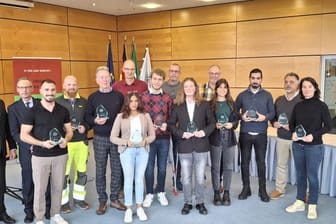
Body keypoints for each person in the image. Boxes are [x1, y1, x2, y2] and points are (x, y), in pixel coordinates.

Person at [20, 79, 73, 224]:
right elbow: (23, 135)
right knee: (40, 189)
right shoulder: (32, 111)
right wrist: (41, 143)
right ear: (41, 91)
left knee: (58, 187)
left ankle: (55, 214)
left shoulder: (63, 110)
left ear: (56, 91)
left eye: (53, 90)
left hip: (60, 155)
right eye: (47, 90)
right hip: (40, 156)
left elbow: (69, 131)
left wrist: (66, 140)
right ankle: (39, 218)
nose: (50, 93)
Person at [168, 77, 215, 215]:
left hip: (201, 145)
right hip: (185, 146)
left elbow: (212, 123)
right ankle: (187, 202)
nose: (189, 88)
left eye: (191, 86)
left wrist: (203, 132)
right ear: (183, 89)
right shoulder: (177, 106)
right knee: (186, 178)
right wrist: (181, 133)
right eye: (186, 86)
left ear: (195, 88)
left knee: (200, 178)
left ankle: (200, 202)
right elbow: (171, 124)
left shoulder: (204, 105)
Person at [286, 77, 332, 220]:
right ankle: (300, 201)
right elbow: (292, 124)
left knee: (312, 177)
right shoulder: (298, 106)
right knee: (300, 175)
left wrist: (313, 135)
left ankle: (312, 205)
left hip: (314, 147)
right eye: (304, 87)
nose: (306, 89)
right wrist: (292, 133)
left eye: (309, 86)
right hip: (298, 146)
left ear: (315, 88)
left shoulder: (322, 106)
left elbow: (329, 126)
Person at [8, 77, 51, 223]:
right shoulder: (13, 108)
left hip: (44, 149)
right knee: (28, 181)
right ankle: (29, 210)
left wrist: (42, 143)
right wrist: (30, 144)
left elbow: (46, 125)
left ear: (33, 89)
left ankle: (47, 208)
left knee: (45, 179)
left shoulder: (41, 104)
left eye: (27, 87)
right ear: (17, 90)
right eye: (21, 88)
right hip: (26, 150)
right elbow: (14, 132)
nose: (24, 90)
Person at [84, 66, 126, 215]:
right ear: (97, 80)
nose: (105, 80)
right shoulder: (92, 97)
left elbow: (125, 115)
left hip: (116, 139)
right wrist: (95, 120)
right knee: (100, 170)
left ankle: (114, 199)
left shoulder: (119, 96)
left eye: (107, 77)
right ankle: (102, 200)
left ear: (111, 78)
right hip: (99, 138)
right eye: (101, 77)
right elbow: (87, 117)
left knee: (116, 170)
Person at [110, 92, 155, 223]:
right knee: (128, 180)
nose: (134, 103)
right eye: (131, 101)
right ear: (127, 103)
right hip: (127, 152)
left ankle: (140, 207)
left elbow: (152, 135)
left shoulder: (145, 116)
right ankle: (129, 209)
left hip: (142, 151)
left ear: (139, 102)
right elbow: (113, 137)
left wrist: (145, 140)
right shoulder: (120, 117)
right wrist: (125, 142)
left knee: (140, 179)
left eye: (136, 101)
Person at [235, 68, 275, 202]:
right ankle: (246, 188)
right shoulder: (242, 95)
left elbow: (272, 113)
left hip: (261, 134)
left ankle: (262, 190)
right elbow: (234, 111)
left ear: (261, 79)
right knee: (244, 163)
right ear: (249, 78)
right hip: (245, 132)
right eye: (253, 78)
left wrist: (264, 117)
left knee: (261, 163)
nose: (255, 80)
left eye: (258, 78)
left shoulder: (267, 95)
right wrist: (242, 116)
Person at [56, 76, 90, 213]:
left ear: (78, 86)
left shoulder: (84, 102)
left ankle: (79, 199)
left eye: (74, 84)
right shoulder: (57, 101)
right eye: (69, 84)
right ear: (64, 85)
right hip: (65, 144)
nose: (71, 87)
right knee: (63, 175)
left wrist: (85, 127)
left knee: (81, 173)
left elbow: (89, 120)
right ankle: (64, 203)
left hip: (81, 142)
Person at [141, 68, 173, 208]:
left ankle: (160, 191)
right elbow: (139, 117)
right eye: (154, 79)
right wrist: (147, 128)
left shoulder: (167, 98)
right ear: (150, 80)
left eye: (160, 79)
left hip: (164, 138)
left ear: (163, 81)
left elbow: (172, 118)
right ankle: (149, 193)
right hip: (148, 138)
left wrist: (167, 125)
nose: (157, 81)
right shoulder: (143, 97)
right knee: (148, 168)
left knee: (162, 167)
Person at [270, 73, 301, 200]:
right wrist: (274, 123)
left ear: (297, 84)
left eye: (292, 82)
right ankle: (280, 189)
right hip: (282, 138)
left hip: (298, 140)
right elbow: (273, 117)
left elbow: (308, 121)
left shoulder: (302, 100)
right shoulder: (279, 100)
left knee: (302, 168)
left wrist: (293, 128)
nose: (288, 84)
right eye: (286, 81)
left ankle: (306, 192)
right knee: (281, 165)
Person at [209, 79, 238, 206]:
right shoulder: (210, 104)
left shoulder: (232, 103)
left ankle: (226, 192)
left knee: (228, 167)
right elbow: (207, 122)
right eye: (220, 87)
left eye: (225, 87)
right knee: (215, 167)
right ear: (216, 89)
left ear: (227, 89)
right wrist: (214, 124)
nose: (222, 90)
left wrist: (232, 124)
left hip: (229, 138)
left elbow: (236, 120)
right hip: (215, 138)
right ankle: (216, 192)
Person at [162, 63, 182, 192]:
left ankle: (177, 179)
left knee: (177, 154)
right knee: (162, 156)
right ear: (168, 72)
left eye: (176, 71)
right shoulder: (162, 86)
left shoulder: (183, 86)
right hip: (162, 126)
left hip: (178, 126)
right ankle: (160, 184)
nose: (173, 73)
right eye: (171, 71)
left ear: (179, 73)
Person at [0, 99, 17, 224]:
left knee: (0, 185)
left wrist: (12, 146)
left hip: (0, 152)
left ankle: (1, 212)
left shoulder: (1, 103)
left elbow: (6, 126)